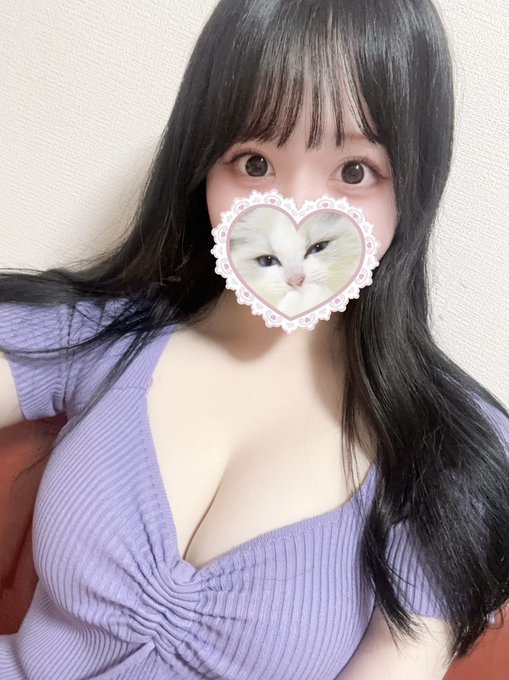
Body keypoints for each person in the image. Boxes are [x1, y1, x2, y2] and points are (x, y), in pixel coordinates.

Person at [0, 0, 508, 678]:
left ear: (412, 187)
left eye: (354, 171)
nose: (292, 212)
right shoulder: (105, 334)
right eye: (254, 162)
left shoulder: (446, 454)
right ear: (203, 165)